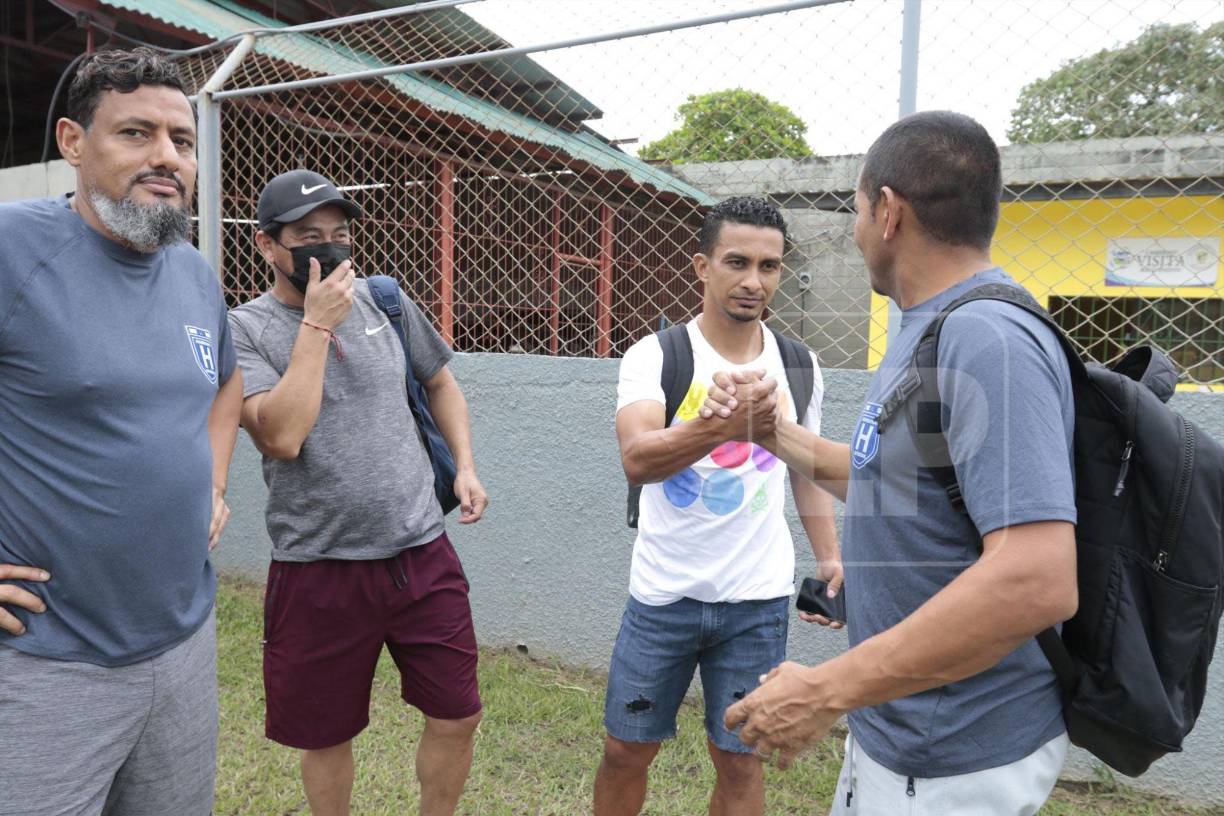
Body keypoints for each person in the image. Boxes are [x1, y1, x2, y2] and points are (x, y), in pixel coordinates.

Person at [720, 111, 1078, 815]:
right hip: (899, 729)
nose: (855, 231)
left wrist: (827, 689)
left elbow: (1036, 579)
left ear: (888, 212)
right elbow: (899, 486)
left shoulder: (987, 339)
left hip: (952, 756)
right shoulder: (931, 323)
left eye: (856, 210)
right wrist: (771, 432)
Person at [0, 48, 241, 816]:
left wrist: (213, 481)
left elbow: (225, 382)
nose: (166, 156)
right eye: (136, 133)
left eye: (182, 139)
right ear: (73, 142)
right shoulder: (12, 250)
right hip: (44, 664)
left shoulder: (192, 271)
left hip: (183, 648)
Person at [228, 169, 488, 816]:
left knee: (458, 714)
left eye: (339, 234)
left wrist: (464, 466)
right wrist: (316, 326)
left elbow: (440, 382)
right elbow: (281, 436)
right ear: (267, 245)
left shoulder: (384, 301)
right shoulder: (244, 330)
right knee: (326, 734)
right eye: (307, 236)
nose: (329, 247)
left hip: (421, 555)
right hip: (318, 568)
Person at [595, 196, 839, 816]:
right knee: (626, 751)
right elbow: (638, 459)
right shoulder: (657, 355)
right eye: (737, 262)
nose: (754, 281)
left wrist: (830, 557)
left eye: (769, 266)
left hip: (756, 601)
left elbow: (808, 467)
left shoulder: (799, 365)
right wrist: (718, 425)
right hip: (663, 597)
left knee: (740, 758)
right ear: (702, 267)